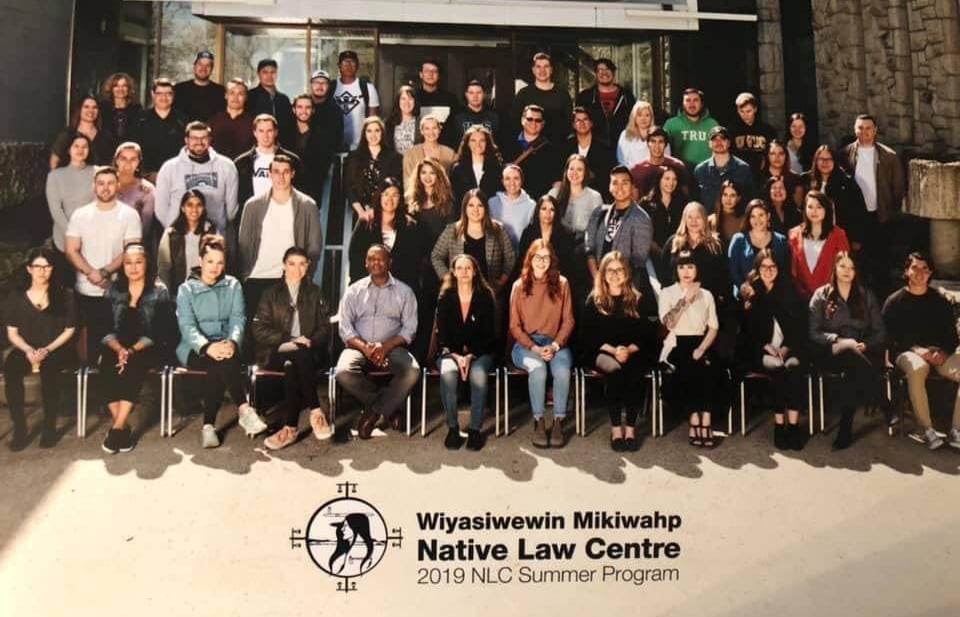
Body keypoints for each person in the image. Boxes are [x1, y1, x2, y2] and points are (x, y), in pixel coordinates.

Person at [176, 237, 266, 447]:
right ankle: (244, 409)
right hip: (194, 348)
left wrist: (233, 342)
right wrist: (207, 347)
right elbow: (187, 326)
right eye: (210, 262)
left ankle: (209, 427)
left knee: (223, 360)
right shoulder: (186, 289)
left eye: (220, 263)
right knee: (219, 362)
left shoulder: (233, 284)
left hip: (227, 345)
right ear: (200, 260)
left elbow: (238, 318)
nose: (215, 268)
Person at [237, 154, 323, 348]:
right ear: (269, 174)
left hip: (290, 279)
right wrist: (246, 274)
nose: (280, 177)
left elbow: (314, 247)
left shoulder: (307, 205)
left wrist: (305, 275)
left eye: (285, 172)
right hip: (257, 278)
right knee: (258, 338)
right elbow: (244, 245)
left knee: (288, 338)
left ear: (292, 174)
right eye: (276, 171)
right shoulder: (253, 205)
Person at [252, 246, 332, 450]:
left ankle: (290, 429)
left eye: (302, 264)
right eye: (292, 264)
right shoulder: (270, 293)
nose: (297, 269)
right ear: (283, 265)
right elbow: (259, 330)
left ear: (309, 266)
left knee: (293, 364)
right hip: (275, 351)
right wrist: (292, 338)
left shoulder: (315, 292)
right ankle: (316, 411)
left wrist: (310, 341)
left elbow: (324, 328)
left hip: (307, 353)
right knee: (296, 354)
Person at [336, 244, 420, 438]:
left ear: (390, 262)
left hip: (393, 347)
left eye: (380, 258)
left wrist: (386, 346)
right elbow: (345, 328)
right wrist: (367, 349)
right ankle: (390, 407)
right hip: (358, 346)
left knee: (412, 372)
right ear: (366, 263)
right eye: (371, 259)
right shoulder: (353, 291)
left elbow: (410, 329)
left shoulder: (404, 291)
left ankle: (374, 411)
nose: (376, 262)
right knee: (343, 372)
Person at [99, 242, 172, 454]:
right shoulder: (113, 290)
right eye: (128, 263)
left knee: (134, 365)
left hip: (147, 344)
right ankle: (122, 427)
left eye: (138, 262)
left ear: (147, 264)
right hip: (116, 344)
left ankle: (117, 428)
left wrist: (130, 351)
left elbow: (160, 332)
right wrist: (119, 348)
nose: (133, 267)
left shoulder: (159, 292)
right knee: (105, 365)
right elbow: (104, 327)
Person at [882, 252, 960, 450]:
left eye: (925, 268)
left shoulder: (939, 301)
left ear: (930, 273)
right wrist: (919, 350)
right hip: (906, 352)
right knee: (918, 368)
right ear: (906, 271)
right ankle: (927, 429)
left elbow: (951, 335)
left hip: (938, 353)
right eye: (915, 267)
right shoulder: (894, 301)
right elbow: (890, 337)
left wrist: (943, 352)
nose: (920, 273)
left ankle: (956, 429)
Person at [808, 251, 886, 449]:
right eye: (843, 266)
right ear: (834, 268)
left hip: (860, 354)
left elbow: (880, 332)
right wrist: (840, 340)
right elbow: (813, 333)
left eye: (851, 268)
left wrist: (866, 344)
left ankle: (845, 432)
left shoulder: (865, 295)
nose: (847, 271)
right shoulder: (821, 295)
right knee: (850, 353)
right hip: (829, 352)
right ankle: (883, 400)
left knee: (852, 367)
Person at [64, 167, 142, 363]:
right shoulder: (80, 214)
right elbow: (71, 249)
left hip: (117, 292)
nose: (105, 188)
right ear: (94, 187)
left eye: (110, 183)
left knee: (114, 349)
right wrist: (92, 273)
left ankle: (113, 392)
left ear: (117, 185)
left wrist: (106, 272)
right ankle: (89, 391)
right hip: (86, 291)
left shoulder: (130, 215)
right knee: (88, 350)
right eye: (101, 183)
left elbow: (131, 249)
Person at [581, 251, 657, 451]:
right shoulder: (594, 300)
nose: (614, 274)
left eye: (619, 270)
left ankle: (630, 429)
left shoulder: (638, 299)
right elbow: (589, 336)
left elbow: (647, 334)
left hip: (633, 350)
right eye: (609, 270)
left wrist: (628, 350)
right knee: (615, 371)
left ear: (626, 273)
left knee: (635, 372)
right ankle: (616, 429)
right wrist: (615, 351)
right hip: (603, 351)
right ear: (603, 273)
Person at [4, 248, 77, 450]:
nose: (42, 271)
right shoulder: (16, 296)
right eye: (37, 266)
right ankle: (20, 428)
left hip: (56, 347)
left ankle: (49, 427)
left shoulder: (65, 294)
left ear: (53, 269)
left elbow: (70, 329)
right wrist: (28, 351)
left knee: (49, 371)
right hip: (25, 347)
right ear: (29, 269)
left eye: (47, 266)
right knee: (11, 369)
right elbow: (12, 332)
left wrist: (47, 349)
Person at [509, 239, 575, 448]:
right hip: (527, 345)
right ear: (530, 259)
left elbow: (569, 320)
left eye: (546, 257)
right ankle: (538, 420)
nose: (542, 261)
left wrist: (555, 345)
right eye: (538, 257)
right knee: (538, 369)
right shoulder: (519, 286)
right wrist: (534, 348)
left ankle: (558, 421)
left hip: (556, 343)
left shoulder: (562, 283)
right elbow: (514, 326)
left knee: (562, 371)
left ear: (551, 261)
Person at [739, 249, 807, 450]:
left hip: (790, 348)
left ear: (779, 268)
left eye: (773, 266)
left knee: (793, 367)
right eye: (764, 267)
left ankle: (793, 426)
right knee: (778, 368)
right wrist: (766, 346)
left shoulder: (789, 290)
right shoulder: (751, 292)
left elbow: (799, 327)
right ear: (757, 269)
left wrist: (786, 348)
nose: (768, 271)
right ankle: (779, 424)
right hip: (761, 351)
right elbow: (747, 330)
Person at [433, 254, 496, 451]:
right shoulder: (445, 297)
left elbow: (489, 334)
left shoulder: (485, 296)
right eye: (459, 268)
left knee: (477, 375)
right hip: (450, 353)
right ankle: (453, 428)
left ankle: (475, 430)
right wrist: (456, 356)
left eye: (468, 268)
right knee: (449, 374)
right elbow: (442, 334)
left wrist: (470, 356)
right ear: (453, 272)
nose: (464, 272)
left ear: (475, 271)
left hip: (480, 352)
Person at [659, 250, 720, 447]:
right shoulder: (667, 292)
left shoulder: (707, 294)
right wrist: (685, 300)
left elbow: (713, 327)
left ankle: (706, 419)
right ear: (676, 269)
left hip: (702, 342)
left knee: (709, 366)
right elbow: (669, 323)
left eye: (690, 266)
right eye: (682, 266)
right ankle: (694, 417)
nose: (686, 271)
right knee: (689, 366)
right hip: (676, 342)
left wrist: (702, 348)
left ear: (697, 269)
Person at [840, 114, 906, 293]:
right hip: (857, 218)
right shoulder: (845, 154)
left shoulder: (889, 156)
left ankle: (882, 302)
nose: (864, 132)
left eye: (868, 128)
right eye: (860, 128)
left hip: (881, 216)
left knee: (882, 263)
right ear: (855, 130)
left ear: (875, 130)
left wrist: (891, 212)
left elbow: (897, 188)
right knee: (858, 263)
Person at [585, 165, 656, 316]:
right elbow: (589, 247)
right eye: (615, 183)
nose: (619, 187)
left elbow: (639, 260)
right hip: (598, 286)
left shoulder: (641, 218)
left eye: (624, 183)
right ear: (609, 187)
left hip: (625, 291)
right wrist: (599, 279)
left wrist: (614, 282)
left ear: (632, 187)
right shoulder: (599, 213)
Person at [154, 121, 239, 234]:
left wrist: (218, 229)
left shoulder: (226, 166)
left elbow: (231, 210)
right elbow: (160, 208)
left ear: (209, 140)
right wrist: (174, 229)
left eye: (203, 138)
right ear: (186, 140)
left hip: (214, 236)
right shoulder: (169, 168)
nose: (199, 142)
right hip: (178, 238)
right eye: (194, 138)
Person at [431, 189, 516, 298]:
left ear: (485, 208)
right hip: (460, 294)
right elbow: (436, 256)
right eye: (471, 205)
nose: (475, 209)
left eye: (480, 205)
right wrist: (449, 279)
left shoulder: (498, 230)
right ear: (464, 208)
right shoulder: (452, 230)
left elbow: (510, 257)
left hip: (490, 294)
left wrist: (502, 280)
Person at [348, 177, 423, 288]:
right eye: (386, 194)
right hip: (368, 287)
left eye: (395, 195)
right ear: (380, 196)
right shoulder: (366, 221)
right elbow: (355, 257)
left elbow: (413, 263)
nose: (390, 199)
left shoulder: (410, 225)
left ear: (400, 199)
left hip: (400, 288)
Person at [788, 190, 850, 300]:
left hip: (831, 298)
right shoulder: (794, 235)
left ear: (826, 209)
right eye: (810, 207)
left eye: (819, 207)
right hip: (801, 300)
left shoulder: (839, 235)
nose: (814, 211)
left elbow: (845, 268)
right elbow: (792, 272)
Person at [46, 133, 95, 272]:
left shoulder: (97, 172)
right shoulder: (55, 176)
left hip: (92, 236)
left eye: (84, 147)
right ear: (68, 149)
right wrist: (73, 233)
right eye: (76, 146)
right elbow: (55, 209)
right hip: (64, 236)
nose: (80, 150)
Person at [233, 113, 303, 209]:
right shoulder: (242, 162)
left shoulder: (293, 161)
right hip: (253, 216)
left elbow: (300, 193)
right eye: (261, 131)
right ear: (254, 133)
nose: (265, 136)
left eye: (269, 131)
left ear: (275, 132)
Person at [157, 189, 219, 292]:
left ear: (203, 208)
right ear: (183, 208)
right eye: (190, 205)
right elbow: (164, 268)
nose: (194, 209)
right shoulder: (171, 234)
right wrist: (167, 294)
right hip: (178, 293)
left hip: (206, 291)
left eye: (199, 205)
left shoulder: (211, 231)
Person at [344, 116, 403, 224]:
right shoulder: (353, 157)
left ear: (382, 133)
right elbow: (349, 187)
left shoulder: (395, 158)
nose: (373, 135)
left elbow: (394, 187)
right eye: (369, 131)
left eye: (377, 130)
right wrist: (362, 213)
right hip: (360, 213)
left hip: (386, 212)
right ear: (364, 134)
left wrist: (375, 210)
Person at [728, 199, 790, 294]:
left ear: (768, 216)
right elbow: (733, 271)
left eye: (761, 215)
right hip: (745, 299)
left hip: (775, 297)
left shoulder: (781, 240)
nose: (757, 220)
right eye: (753, 216)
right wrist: (744, 288)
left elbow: (785, 270)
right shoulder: (739, 240)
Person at [501, 104, 563, 200]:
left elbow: (557, 182)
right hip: (510, 201)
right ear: (522, 120)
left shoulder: (552, 150)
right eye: (529, 119)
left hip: (538, 204)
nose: (533, 123)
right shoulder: (507, 146)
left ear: (543, 124)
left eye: (538, 120)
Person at [511, 52, 572, 146]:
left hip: (557, 148)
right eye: (538, 67)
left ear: (551, 70)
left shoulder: (562, 95)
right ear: (533, 70)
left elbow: (569, 124)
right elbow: (514, 123)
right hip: (529, 149)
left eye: (546, 66)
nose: (542, 70)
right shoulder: (523, 94)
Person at [574, 57, 636, 147]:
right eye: (600, 70)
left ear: (613, 73)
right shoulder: (585, 97)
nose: (604, 73)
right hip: (594, 147)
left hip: (623, 146)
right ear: (595, 74)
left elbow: (634, 121)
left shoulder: (626, 95)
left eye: (608, 69)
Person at [693, 125, 755, 214]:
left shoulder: (743, 169)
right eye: (714, 139)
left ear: (729, 143)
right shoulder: (700, 170)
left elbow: (750, 201)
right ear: (709, 144)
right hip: (708, 224)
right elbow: (695, 203)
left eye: (722, 139)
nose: (719, 142)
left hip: (736, 224)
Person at [561, 107, 616, 200]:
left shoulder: (604, 148)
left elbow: (608, 175)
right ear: (573, 125)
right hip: (570, 195)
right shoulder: (566, 146)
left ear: (591, 123)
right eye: (578, 120)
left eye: (585, 119)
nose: (582, 123)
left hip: (598, 195)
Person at [290, 93, 338, 202]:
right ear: (294, 110)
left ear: (313, 110)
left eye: (308, 107)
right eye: (300, 107)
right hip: (288, 187)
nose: (304, 111)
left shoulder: (322, 136)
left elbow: (323, 166)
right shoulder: (286, 134)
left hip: (312, 190)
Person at [138, 77, 186, 183]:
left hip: (176, 176)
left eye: (168, 93)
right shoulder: (140, 119)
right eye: (159, 93)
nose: (164, 97)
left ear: (173, 96)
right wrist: (146, 174)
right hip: (147, 177)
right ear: (153, 94)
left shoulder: (182, 120)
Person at [518, 195, 577, 280]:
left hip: (557, 278)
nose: (548, 213)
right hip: (532, 278)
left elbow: (568, 265)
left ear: (556, 213)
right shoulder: (528, 232)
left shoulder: (566, 234)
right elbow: (522, 260)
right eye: (544, 209)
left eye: (552, 210)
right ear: (538, 211)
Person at [551, 153, 603, 246]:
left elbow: (598, 229)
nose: (574, 173)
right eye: (571, 169)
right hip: (556, 243)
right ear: (566, 171)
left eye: (579, 169)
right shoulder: (554, 193)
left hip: (583, 246)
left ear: (585, 173)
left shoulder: (595, 197)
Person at [333, 50, 381, 151]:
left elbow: (374, 121)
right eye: (345, 62)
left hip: (360, 148)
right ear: (339, 66)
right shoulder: (331, 88)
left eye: (352, 62)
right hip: (334, 148)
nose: (349, 65)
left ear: (358, 66)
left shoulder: (367, 88)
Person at [663, 88, 720, 173]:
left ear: (701, 103)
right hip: (679, 176)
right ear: (683, 103)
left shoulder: (712, 124)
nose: (692, 104)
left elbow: (720, 152)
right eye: (688, 100)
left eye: (695, 100)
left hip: (707, 175)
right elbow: (662, 151)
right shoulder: (671, 125)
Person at [49, 95, 112, 168]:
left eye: (95, 107)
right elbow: (55, 159)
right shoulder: (68, 134)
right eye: (86, 107)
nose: (91, 110)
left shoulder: (105, 136)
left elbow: (110, 162)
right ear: (79, 110)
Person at [113, 142, 157, 248]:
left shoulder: (147, 190)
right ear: (116, 160)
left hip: (133, 246)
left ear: (139, 162)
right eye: (123, 158)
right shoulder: (104, 183)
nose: (128, 163)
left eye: (133, 159)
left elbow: (145, 227)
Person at [629, 125, 689, 200]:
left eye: (660, 142)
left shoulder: (678, 166)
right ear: (647, 144)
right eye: (653, 141)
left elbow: (685, 199)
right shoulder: (636, 170)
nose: (657, 146)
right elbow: (634, 202)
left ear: (666, 144)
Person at [640, 166, 688, 259]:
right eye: (667, 178)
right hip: (652, 254)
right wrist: (660, 252)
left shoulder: (683, 202)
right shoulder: (645, 203)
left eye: (674, 179)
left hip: (678, 253)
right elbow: (642, 233)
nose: (671, 183)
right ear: (659, 180)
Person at [450, 124, 503, 207]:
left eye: (482, 140)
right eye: (473, 140)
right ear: (467, 143)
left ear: (487, 143)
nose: (477, 144)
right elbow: (455, 198)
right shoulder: (458, 169)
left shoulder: (497, 168)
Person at [729, 92, 776, 182]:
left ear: (755, 109)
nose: (745, 115)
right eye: (741, 111)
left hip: (761, 176)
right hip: (739, 176)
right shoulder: (732, 131)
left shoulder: (767, 130)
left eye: (748, 111)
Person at [247, 58, 294, 147]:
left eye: (273, 72)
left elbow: (289, 128)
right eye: (265, 72)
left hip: (281, 147)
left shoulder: (283, 99)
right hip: (257, 147)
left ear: (277, 74)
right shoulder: (250, 97)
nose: (269, 76)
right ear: (258, 74)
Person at [487, 164, 535, 251]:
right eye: (507, 178)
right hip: (496, 254)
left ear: (521, 181)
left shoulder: (531, 205)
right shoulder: (492, 203)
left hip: (521, 254)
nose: (512, 183)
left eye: (516, 178)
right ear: (502, 181)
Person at [414, 59, 461, 147]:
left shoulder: (450, 98)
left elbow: (457, 127)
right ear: (421, 74)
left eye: (434, 71)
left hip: (445, 150)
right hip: (419, 150)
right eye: (427, 71)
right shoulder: (413, 98)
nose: (430, 74)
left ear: (439, 75)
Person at [208, 78, 255, 160]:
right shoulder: (214, 121)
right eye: (232, 93)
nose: (235, 97)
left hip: (244, 168)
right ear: (226, 95)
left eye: (240, 94)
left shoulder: (253, 122)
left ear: (246, 97)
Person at [173, 51, 226, 123]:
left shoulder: (221, 91)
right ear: (194, 67)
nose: (203, 68)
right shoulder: (179, 89)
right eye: (200, 64)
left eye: (208, 65)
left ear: (212, 69)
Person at [402, 114, 457, 181]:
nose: (431, 132)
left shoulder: (450, 153)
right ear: (422, 131)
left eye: (434, 128)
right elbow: (407, 182)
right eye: (427, 128)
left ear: (439, 130)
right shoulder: (410, 154)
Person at [449, 80, 501, 148]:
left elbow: (500, 141)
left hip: (489, 156)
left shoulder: (494, 116)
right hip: (464, 156)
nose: (475, 96)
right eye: (471, 93)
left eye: (479, 92)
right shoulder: (456, 116)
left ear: (484, 94)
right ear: (466, 95)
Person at [307, 69, 344, 162]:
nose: (320, 86)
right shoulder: (302, 106)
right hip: (302, 158)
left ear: (329, 86)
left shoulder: (335, 110)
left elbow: (338, 139)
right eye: (316, 82)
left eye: (324, 83)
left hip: (326, 160)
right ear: (311, 84)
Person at [99, 72, 142, 153]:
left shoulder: (137, 110)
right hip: (105, 152)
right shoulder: (102, 109)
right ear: (111, 88)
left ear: (129, 89)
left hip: (129, 153)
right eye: (116, 86)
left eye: (124, 86)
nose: (120, 89)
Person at [616, 101, 664, 170]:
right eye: (639, 115)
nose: (643, 118)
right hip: (631, 175)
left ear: (651, 117)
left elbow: (666, 157)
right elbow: (621, 160)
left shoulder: (659, 133)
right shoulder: (625, 134)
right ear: (634, 117)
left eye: (647, 115)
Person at [760, 139, 803, 207]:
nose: (777, 157)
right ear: (767, 156)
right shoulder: (758, 177)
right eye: (773, 153)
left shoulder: (796, 179)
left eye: (781, 153)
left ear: (786, 156)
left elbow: (798, 206)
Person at [708, 179, 745, 249]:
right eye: (725, 195)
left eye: (732, 195)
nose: (728, 199)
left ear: (739, 198)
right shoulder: (710, 220)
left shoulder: (744, 219)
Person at [384, 85, 420, 154]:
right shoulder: (388, 123)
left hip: (415, 163)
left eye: (410, 99)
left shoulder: (421, 123)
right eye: (403, 98)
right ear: (398, 101)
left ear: (415, 101)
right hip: (394, 163)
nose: (407, 102)